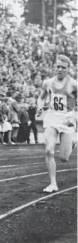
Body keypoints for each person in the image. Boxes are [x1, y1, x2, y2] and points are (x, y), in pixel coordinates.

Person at [37, 54, 77, 193]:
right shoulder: (47, 83)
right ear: (55, 67)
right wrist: (39, 107)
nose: (60, 69)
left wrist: (73, 116)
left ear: (68, 69)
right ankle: (53, 183)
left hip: (67, 120)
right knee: (49, 150)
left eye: (63, 67)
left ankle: (72, 143)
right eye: (58, 66)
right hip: (52, 117)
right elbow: (41, 98)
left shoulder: (73, 84)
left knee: (64, 158)